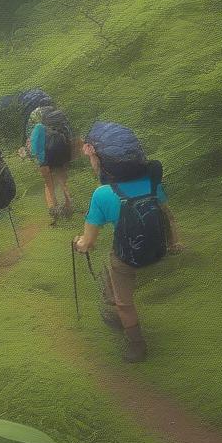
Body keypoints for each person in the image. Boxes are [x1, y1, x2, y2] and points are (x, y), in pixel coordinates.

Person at [73, 124, 184, 364]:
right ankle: (115, 302)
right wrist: (175, 242)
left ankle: (136, 344)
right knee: (115, 274)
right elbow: (169, 216)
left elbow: (88, 243)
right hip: (157, 250)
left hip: (126, 258)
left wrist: (78, 244)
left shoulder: (102, 194)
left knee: (124, 301)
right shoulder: (153, 184)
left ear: (103, 160)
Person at [19, 106, 74, 224]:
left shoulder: (38, 128)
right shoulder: (59, 128)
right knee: (63, 182)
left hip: (44, 161)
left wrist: (30, 155)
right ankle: (69, 208)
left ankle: (54, 215)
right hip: (60, 158)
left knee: (49, 185)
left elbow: (34, 149)